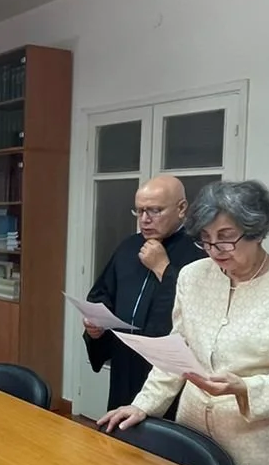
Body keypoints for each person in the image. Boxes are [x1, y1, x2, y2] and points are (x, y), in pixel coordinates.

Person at [99, 180, 269, 465]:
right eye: (206, 239)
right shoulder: (192, 276)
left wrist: (245, 388)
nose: (215, 250)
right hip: (196, 442)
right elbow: (177, 351)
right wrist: (144, 405)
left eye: (226, 238)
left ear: (257, 231)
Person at [82, 175, 205, 414]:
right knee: (120, 425)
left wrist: (163, 269)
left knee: (163, 433)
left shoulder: (200, 251)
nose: (145, 220)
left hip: (168, 370)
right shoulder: (129, 246)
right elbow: (102, 294)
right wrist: (95, 326)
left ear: (181, 209)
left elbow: (199, 307)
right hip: (125, 361)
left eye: (155, 211)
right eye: (139, 211)